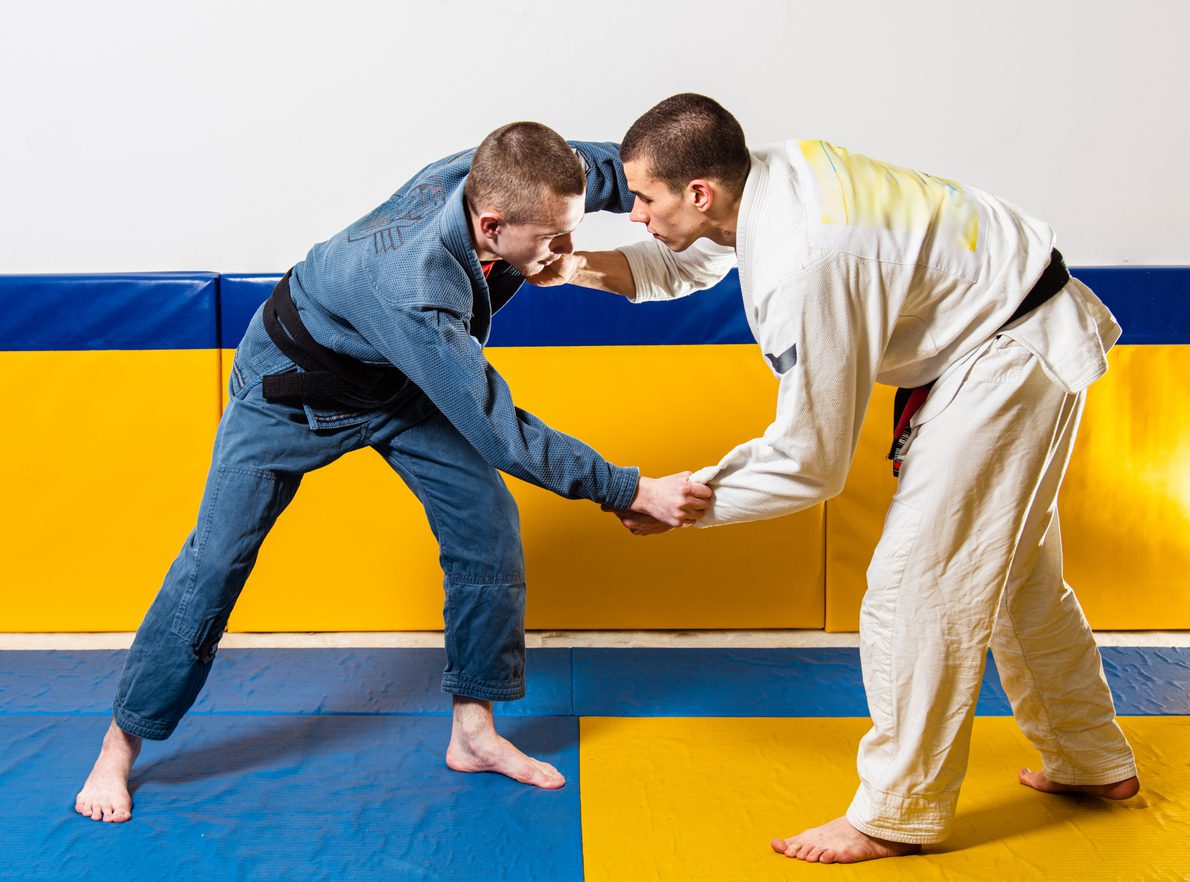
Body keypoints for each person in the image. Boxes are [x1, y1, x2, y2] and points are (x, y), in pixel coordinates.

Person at [542, 94, 1139, 863]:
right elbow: (691, 259)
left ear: (699, 192)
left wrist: (686, 501)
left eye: (645, 199)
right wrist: (576, 268)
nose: (636, 215)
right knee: (1014, 570)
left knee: (917, 580)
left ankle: (896, 811)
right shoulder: (773, 174)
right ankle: (1092, 759)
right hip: (1015, 322)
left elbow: (810, 460)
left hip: (1005, 354)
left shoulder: (805, 261)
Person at [75, 122, 712, 824]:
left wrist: (730, 196)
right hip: (294, 387)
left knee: (485, 521)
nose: (566, 252)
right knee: (215, 560)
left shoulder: (515, 172)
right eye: (552, 241)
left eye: (570, 229)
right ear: (492, 223)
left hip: (396, 379)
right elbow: (497, 427)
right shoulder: (415, 288)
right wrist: (627, 488)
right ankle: (120, 745)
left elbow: (627, 169)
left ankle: (474, 733)